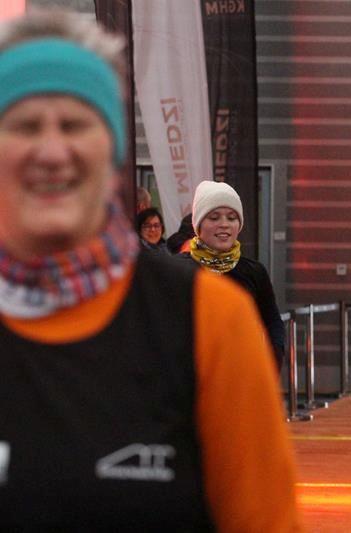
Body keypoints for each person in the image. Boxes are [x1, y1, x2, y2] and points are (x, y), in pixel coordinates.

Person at [0, 9, 300, 532]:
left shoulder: (208, 319)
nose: (51, 151)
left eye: (75, 123)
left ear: (112, 149)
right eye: (24, 125)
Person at [185, 180, 286, 370]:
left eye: (232, 218)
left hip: (241, 373)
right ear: (198, 225)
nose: (224, 224)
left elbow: (272, 321)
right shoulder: (177, 270)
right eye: (214, 218)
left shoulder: (254, 272)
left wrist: (273, 360)